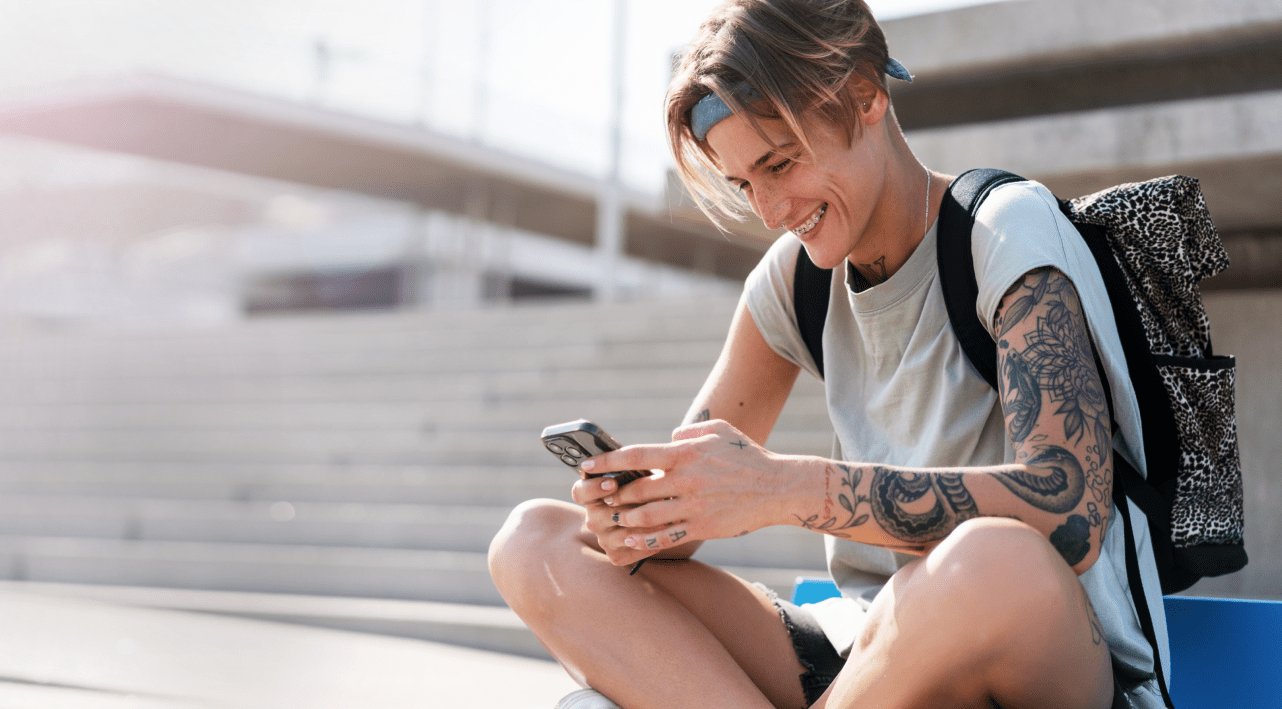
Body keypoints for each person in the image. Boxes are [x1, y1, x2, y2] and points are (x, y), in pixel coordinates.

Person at [488, 1, 1169, 707]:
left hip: (1034, 656)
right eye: (745, 184)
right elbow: (685, 512)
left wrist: (785, 487)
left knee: (987, 559)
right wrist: (646, 510)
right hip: (860, 657)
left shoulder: (1003, 227)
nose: (772, 210)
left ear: (867, 95)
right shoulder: (793, 281)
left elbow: (1072, 513)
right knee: (534, 542)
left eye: (780, 163)